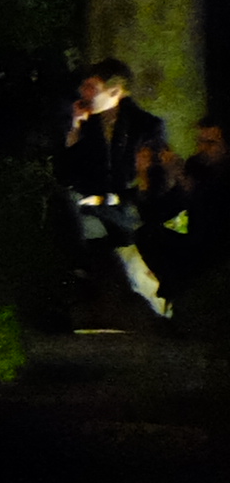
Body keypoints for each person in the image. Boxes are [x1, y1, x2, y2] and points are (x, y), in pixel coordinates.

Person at [61, 60, 174, 324]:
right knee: (80, 220)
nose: (85, 94)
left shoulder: (146, 126)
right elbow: (68, 173)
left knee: (123, 249)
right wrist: (75, 130)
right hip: (93, 206)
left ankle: (154, 309)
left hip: (127, 205)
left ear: (115, 91)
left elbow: (150, 180)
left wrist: (118, 196)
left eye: (92, 88)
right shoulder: (87, 124)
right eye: (85, 87)